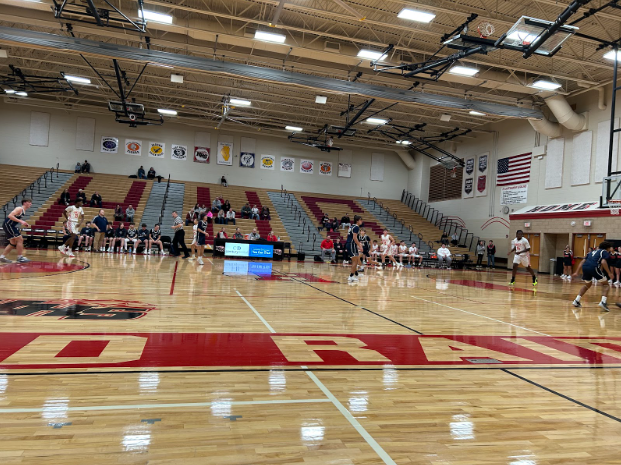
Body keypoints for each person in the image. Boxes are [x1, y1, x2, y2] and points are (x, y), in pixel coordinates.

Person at [572, 241, 614, 311]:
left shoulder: (591, 252)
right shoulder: (604, 252)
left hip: (585, 267)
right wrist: (609, 273)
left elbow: (582, 261)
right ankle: (603, 302)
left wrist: (577, 272)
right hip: (594, 267)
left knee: (587, 285)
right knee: (606, 285)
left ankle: (576, 300)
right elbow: (603, 262)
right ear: (607, 248)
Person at [0, 198, 32, 263]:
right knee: (20, 239)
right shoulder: (19, 209)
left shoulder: (23, 211)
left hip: (10, 226)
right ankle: (20, 257)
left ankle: (2, 257)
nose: (30, 204)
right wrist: (21, 221)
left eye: (31, 203)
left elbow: (15, 219)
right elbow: (10, 216)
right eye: (29, 202)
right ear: (24, 203)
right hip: (8, 225)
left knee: (13, 243)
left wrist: (24, 223)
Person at [346, 215, 364, 282]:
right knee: (355, 261)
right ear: (358, 220)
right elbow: (354, 237)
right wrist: (360, 245)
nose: (361, 221)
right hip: (351, 244)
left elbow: (347, 235)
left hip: (350, 244)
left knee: (355, 260)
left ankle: (356, 274)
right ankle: (351, 276)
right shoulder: (356, 227)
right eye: (361, 220)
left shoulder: (351, 226)